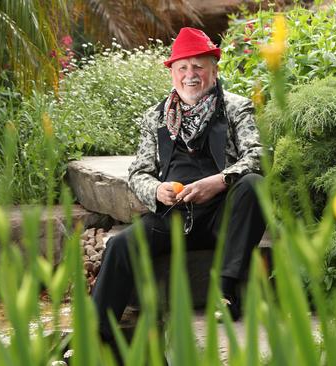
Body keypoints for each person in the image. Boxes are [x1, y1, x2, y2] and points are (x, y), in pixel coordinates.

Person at [92, 27, 266, 342]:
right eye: (182, 67)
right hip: (173, 215)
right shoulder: (156, 116)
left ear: (214, 69)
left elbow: (257, 157)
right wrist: (156, 191)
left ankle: (227, 292)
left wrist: (218, 182)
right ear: (172, 73)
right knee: (119, 245)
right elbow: (139, 172)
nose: (190, 75)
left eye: (198, 66)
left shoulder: (237, 107)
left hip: (221, 213)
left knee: (254, 185)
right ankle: (94, 336)